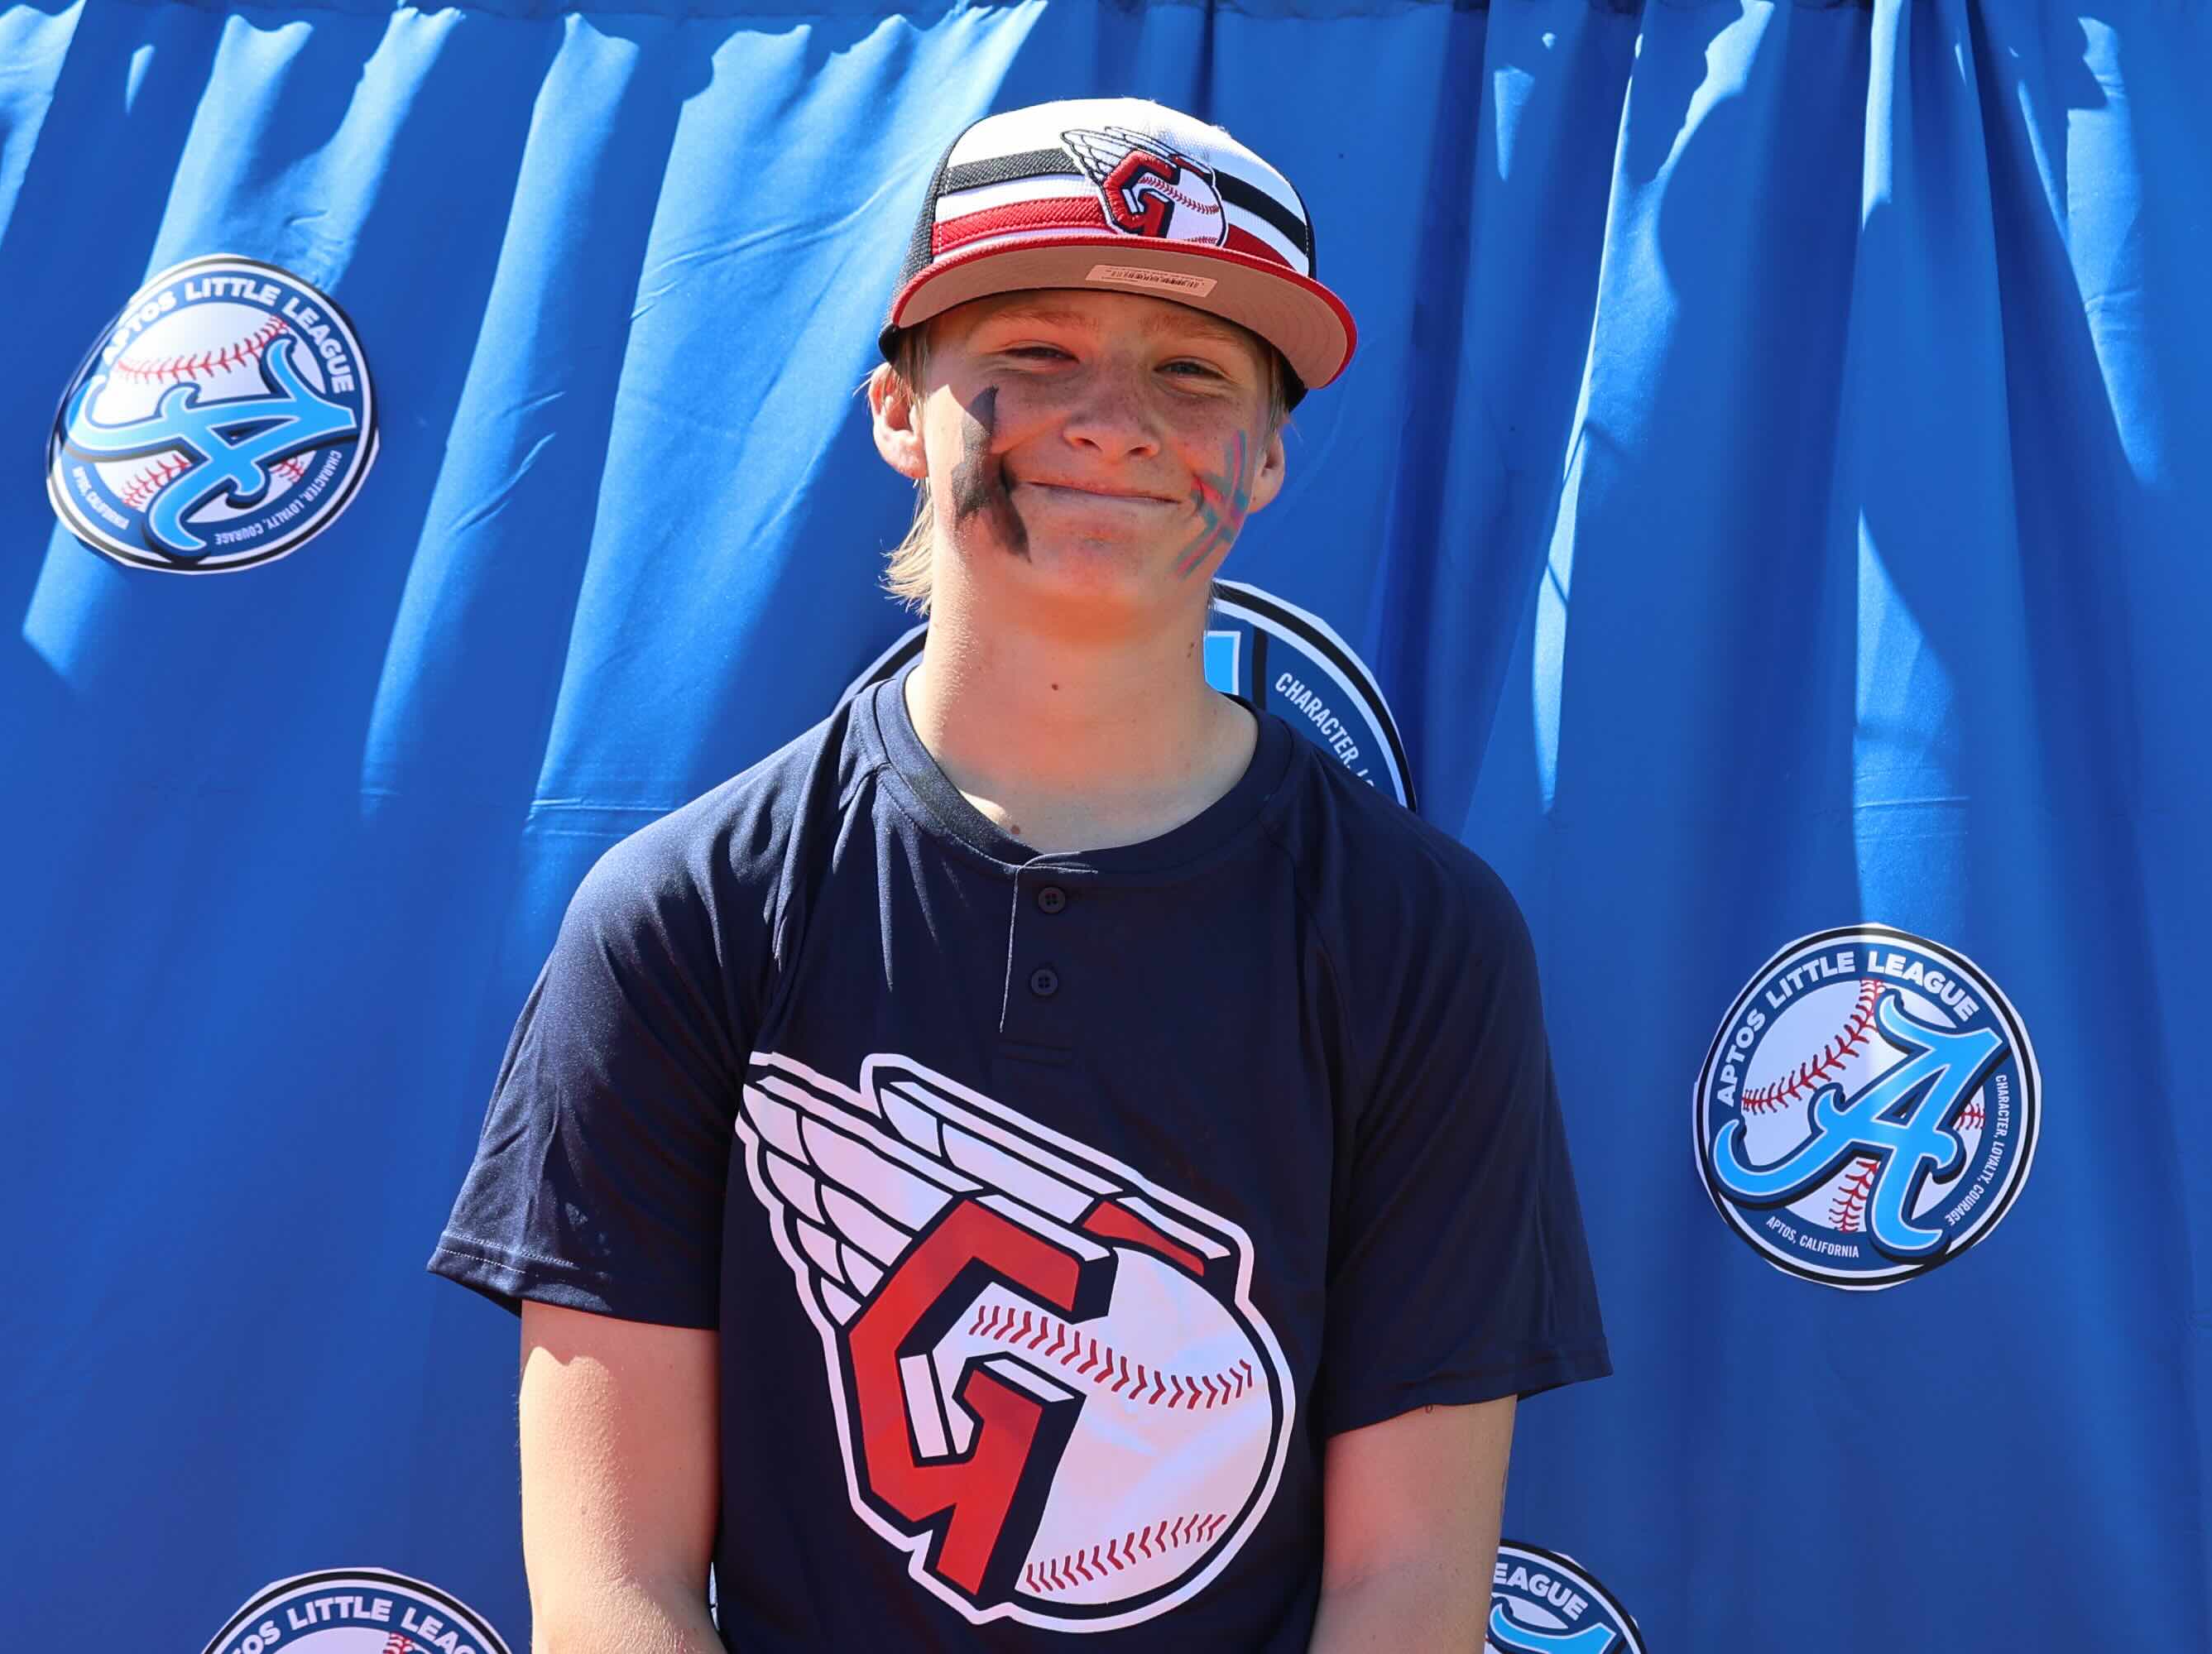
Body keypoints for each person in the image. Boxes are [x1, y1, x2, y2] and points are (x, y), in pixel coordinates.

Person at [429, 96, 1608, 1652]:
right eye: (1037, 354)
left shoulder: (1421, 937)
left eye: (1193, 373)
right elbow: (613, 1585)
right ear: (899, 412)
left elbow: (1405, 1584)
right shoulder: (687, 915)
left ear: (1265, 457)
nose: (1113, 421)